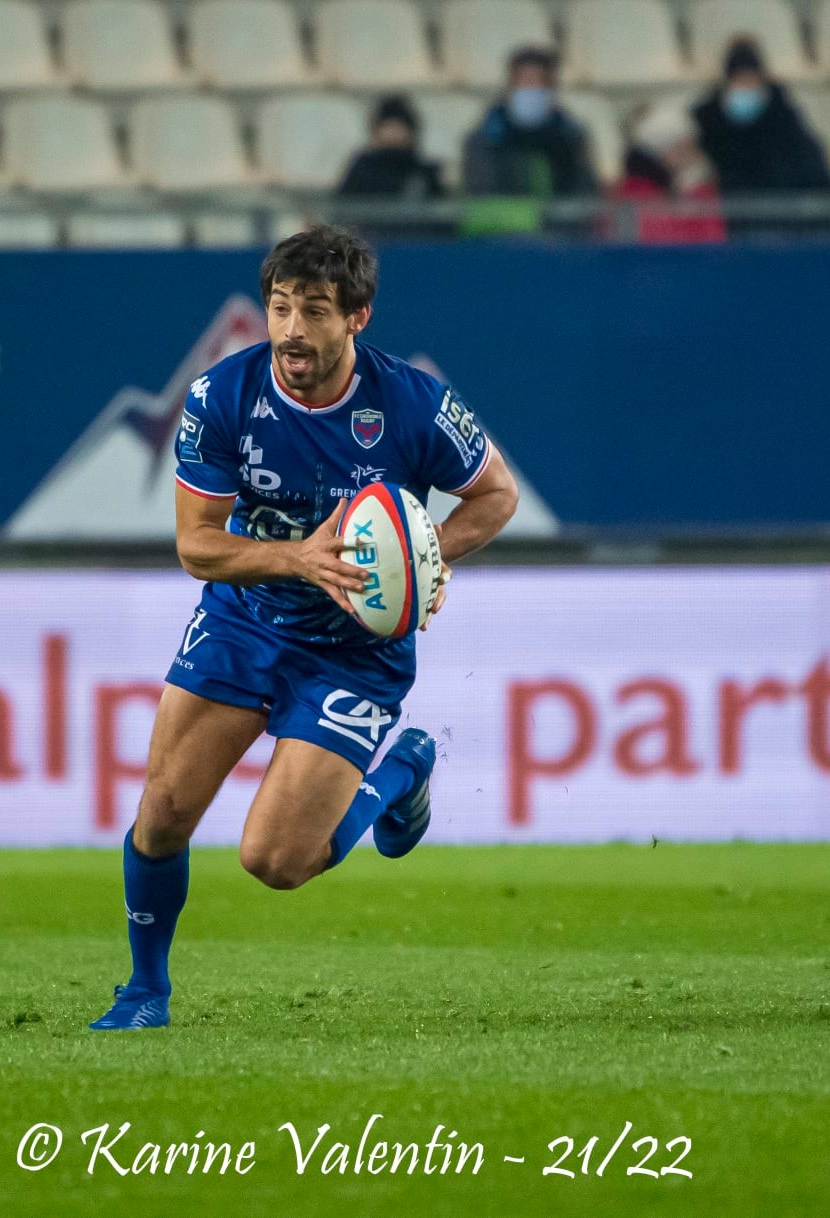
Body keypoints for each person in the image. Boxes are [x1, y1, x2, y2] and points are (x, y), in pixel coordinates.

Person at [89, 225, 520, 1032]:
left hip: (356, 653)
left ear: (356, 317)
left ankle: (399, 775)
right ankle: (145, 990)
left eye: (313, 310)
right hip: (246, 621)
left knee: (276, 863)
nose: (291, 329)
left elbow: (496, 496)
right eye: (280, 308)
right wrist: (299, 561)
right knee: (163, 814)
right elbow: (197, 546)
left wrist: (428, 559)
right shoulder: (222, 397)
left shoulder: (412, 404)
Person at [692, 37, 830, 240]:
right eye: (739, 81)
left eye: (752, 81)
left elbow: (819, 180)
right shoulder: (707, 125)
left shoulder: (786, 122)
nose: (746, 88)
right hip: (735, 230)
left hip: (790, 226)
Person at [461, 46, 598, 199]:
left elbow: (584, 195)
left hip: (557, 223)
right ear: (511, 85)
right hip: (503, 223)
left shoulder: (571, 137)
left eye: (542, 82)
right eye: (526, 81)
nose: (533, 88)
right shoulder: (484, 139)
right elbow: (481, 194)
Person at [607, 102, 726, 244]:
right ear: (665, 151)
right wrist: (695, 194)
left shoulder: (678, 188)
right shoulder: (633, 193)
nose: (694, 156)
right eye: (686, 147)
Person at [337, 94, 444, 200]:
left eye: (399, 127)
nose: (393, 133)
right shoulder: (362, 169)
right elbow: (345, 207)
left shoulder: (422, 173)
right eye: (388, 127)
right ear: (376, 131)